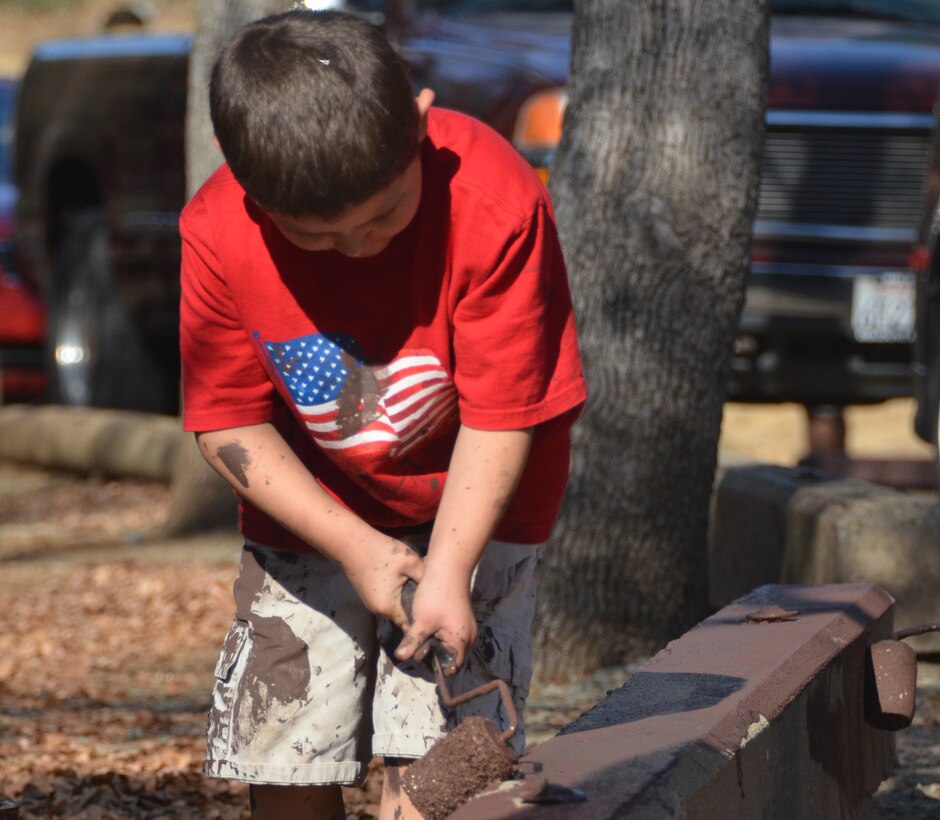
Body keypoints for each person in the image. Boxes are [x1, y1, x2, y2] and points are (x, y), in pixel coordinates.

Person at [179, 9, 586, 819]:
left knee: (437, 754)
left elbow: (504, 413)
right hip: (307, 506)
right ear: (248, 185)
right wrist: (355, 547)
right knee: (286, 741)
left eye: (382, 217)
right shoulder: (219, 228)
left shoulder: (494, 198)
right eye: (318, 238)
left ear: (422, 124)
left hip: (480, 500)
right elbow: (228, 422)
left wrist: (449, 567)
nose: (359, 249)